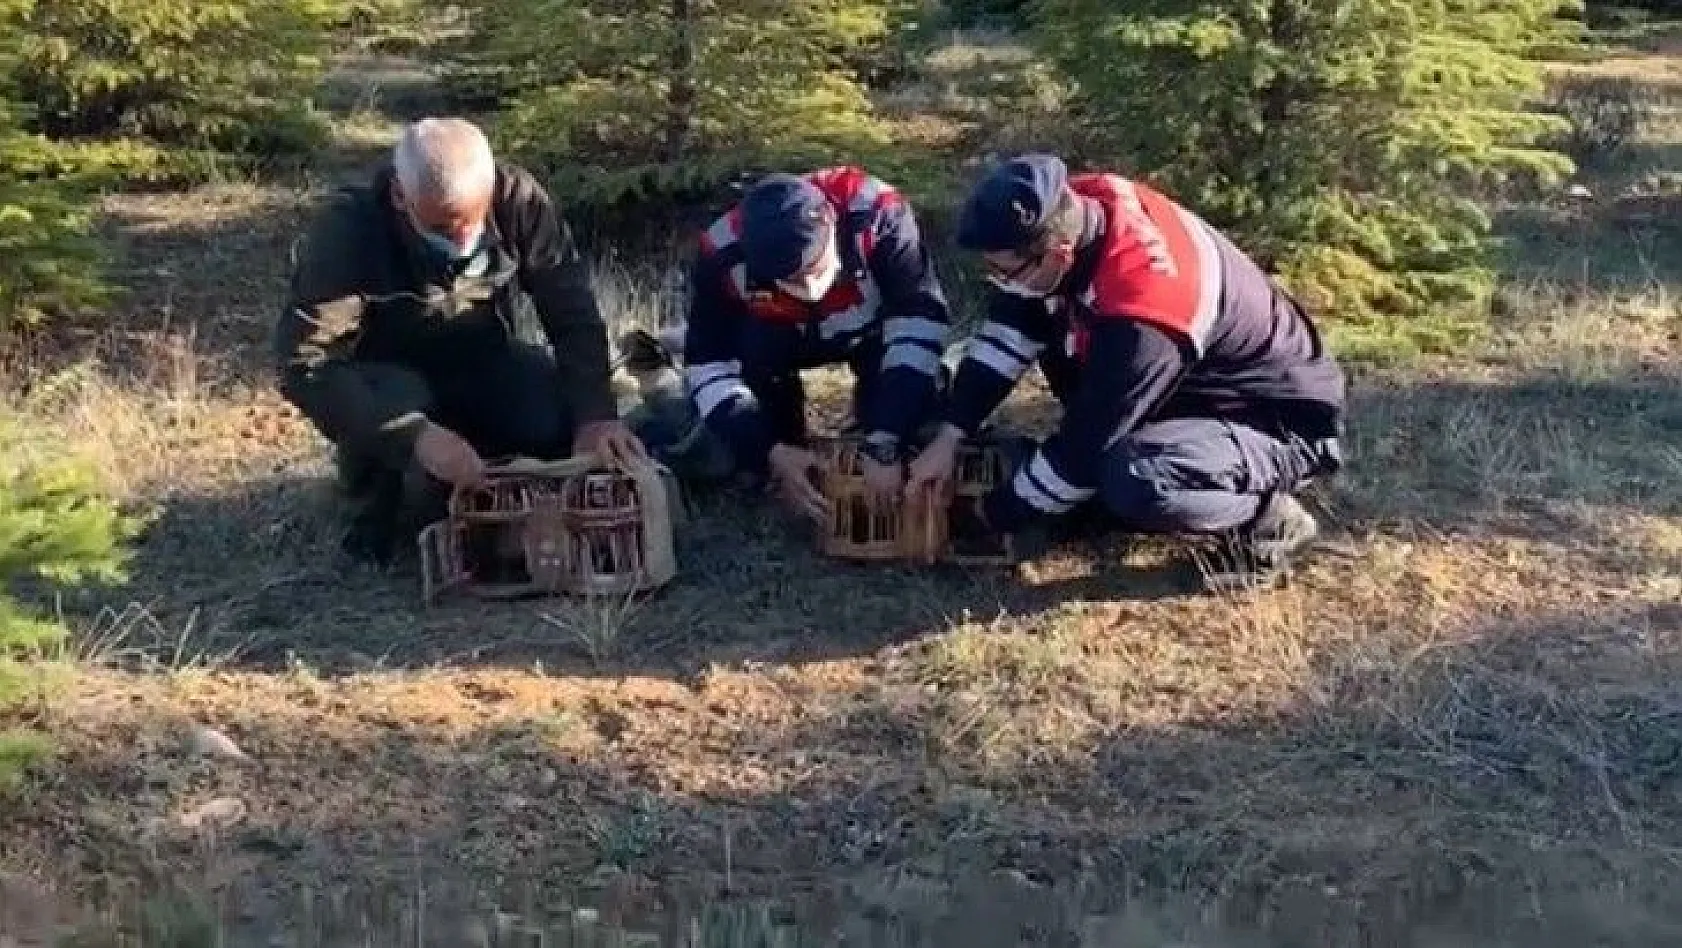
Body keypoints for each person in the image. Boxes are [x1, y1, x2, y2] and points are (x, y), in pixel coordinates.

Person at [907, 154, 1347, 579]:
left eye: (1004, 270)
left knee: (1133, 476)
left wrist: (990, 516)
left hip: (1278, 423)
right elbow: (1010, 330)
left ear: (1059, 255)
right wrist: (951, 432)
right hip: (1184, 383)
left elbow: (1087, 443)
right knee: (1053, 331)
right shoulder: (1075, 207)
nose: (996, 280)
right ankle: (1097, 484)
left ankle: (1268, 519)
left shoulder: (1144, 312)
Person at [273, 117, 646, 565]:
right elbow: (305, 365)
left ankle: (495, 477)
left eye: (472, 223)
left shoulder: (517, 200)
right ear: (400, 197)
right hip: (391, 386)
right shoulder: (350, 229)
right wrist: (412, 434)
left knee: (554, 411)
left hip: (483, 360)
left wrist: (595, 415)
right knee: (414, 500)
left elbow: (572, 314)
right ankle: (384, 494)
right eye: (445, 228)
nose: (463, 239)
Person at [646, 166, 954, 522]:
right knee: (736, 453)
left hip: (874, 334)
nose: (808, 290)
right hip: (771, 344)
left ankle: (880, 415)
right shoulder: (720, 253)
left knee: (915, 429)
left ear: (830, 225)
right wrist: (770, 450)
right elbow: (709, 362)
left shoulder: (877, 212)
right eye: (789, 279)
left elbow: (920, 320)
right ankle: (773, 432)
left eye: (813, 268)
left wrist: (885, 438)